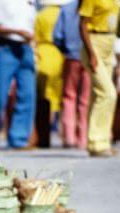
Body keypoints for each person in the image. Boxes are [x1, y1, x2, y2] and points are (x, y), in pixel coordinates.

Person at [0, 0, 37, 149]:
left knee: (27, 94)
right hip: (5, 48)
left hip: (26, 49)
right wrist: (16, 31)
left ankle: (18, 139)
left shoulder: (31, 2)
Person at [79, 0, 120, 157]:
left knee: (98, 94)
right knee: (108, 94)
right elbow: (82, 24)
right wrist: (91, 54)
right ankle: (98, 143)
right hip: (94, 42)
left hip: (109, 42)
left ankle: (100, 142)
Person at [53, 0, 91, 149]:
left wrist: (67, 50)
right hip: (89, 56)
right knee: (85, 99)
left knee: (69, 97)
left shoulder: (66, 8)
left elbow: (57, 36)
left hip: (71, 57)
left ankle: (69, 137)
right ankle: (83, 138)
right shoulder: (93, 5)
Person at [35, 1, 66, 148]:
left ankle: (44, 134)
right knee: (57, 97)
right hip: (58, 55)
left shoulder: (40, 15)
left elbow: (35, 36)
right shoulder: (63, 14)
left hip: (42, 54)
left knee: (43, 97)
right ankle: (62, 132)